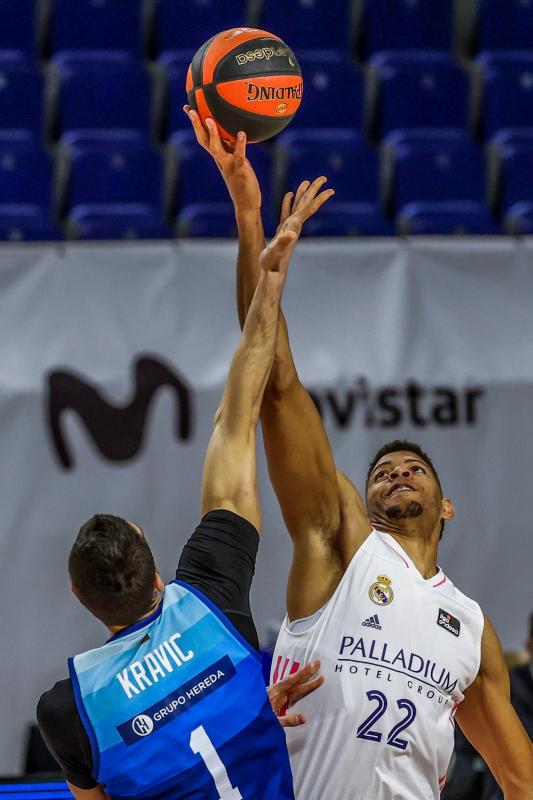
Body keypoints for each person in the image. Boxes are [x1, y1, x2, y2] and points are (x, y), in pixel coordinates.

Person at [185, 109, 533, 800]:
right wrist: (253, 226)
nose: (397, 472)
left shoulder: (470, 628)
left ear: (446, 505)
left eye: (414, 469)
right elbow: (276, 388)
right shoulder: (340, 540)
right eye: (382, 471)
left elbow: (519, 778)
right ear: (369, 501)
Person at [36, 216, 329, 800]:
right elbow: (236, 420)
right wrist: (265, 277)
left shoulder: (69, 709)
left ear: (79, 597)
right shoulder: (209, 600)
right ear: (156, 568)